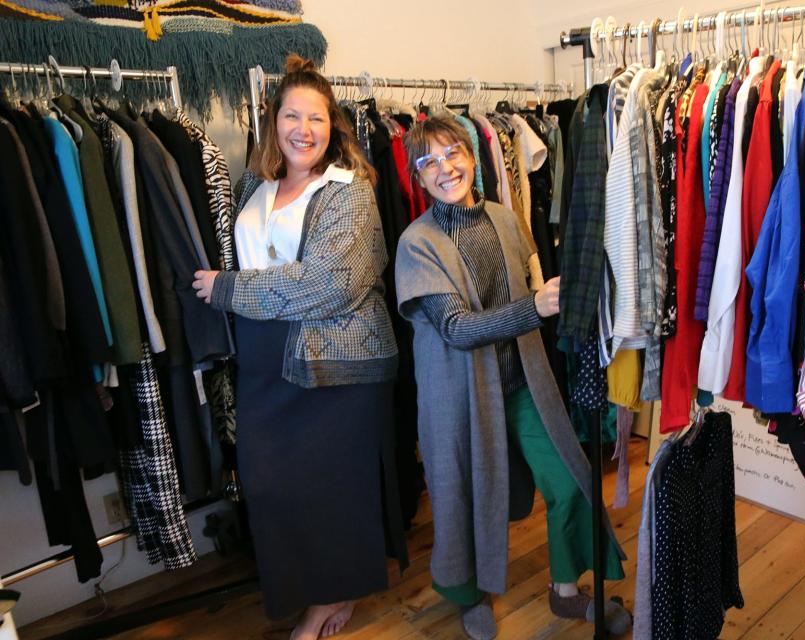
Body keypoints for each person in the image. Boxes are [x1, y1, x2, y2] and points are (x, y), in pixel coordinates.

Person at [394, 116, 631, 640]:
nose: (444, 167)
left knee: (569, 478)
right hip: (457, 394)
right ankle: (469, 594)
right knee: (462, 495)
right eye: (428, 161)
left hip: (521, 380)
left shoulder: (505, 217)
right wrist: (536, 308)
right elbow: (455, 329)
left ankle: (566, 593)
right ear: (418, 176)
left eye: (452, 152)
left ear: (472, 156)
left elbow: (529, 276)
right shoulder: (417, 243)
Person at [192, 54, 403, 640]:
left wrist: (230, 289)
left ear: (333, 126)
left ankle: (330, 599)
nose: (303, 130)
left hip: (336, 364)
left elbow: (330, 285)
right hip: (266, 360)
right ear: (273, 121)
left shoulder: (349, 191)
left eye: (316, 118)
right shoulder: (251, 187)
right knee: (270, 484)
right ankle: (322, 586)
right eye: (292, 116)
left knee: (332, 488)